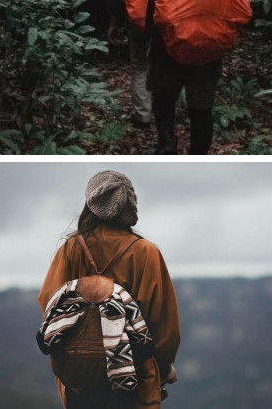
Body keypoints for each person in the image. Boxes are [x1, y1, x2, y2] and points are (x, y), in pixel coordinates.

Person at [38, 170, 180, 409]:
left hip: (80, 378)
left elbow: (49, 305)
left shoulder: (71, 248)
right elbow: (164, 326)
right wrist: (163, 368)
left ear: (91, 204)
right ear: (129, 207)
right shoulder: (146, 253)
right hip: (134, 381)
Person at [145, 0, 251, 155]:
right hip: (211, 46)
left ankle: (167, 145)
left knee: (163, 98)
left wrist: (150, 37)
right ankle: (199, 154)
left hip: (167, 44)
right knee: (201, 108)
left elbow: (154, 2)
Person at [108, 0, 168, 128]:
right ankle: (166, 113)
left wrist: (114, 23)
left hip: (138, 20)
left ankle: (143, 114)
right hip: (167, 20)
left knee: (141, 66)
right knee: (165, 64)